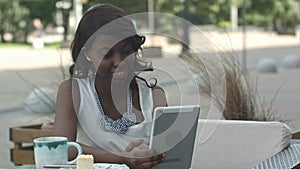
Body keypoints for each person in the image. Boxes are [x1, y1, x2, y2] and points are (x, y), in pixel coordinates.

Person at [54, 3, 167, 169]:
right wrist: (123, 158)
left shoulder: (154, 96)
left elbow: (171, 150)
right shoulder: (72, 92)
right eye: (107, 54)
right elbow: (62, 148)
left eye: (127, 51)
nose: (119, 61)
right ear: (87, 54)